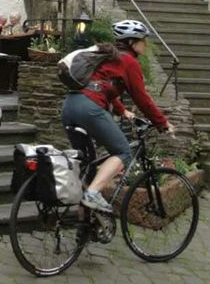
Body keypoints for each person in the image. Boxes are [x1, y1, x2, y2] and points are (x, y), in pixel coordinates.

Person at [61, 19, 173, 213]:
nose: (145, 44)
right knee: (123, 152)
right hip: (89, 108)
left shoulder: (107, 57)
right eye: (143, 40)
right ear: (132, 42)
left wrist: (122, 111)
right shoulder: (128, 61)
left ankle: (84, 223)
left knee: (88, 167)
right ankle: (93, 195)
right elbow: (142, 99)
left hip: (70, 106)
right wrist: (162, 123)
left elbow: (103, 88)